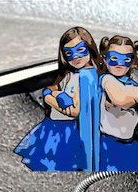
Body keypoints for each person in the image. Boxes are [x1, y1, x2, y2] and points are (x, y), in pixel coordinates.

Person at [14, 26, 101, 171]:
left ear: (90, 48)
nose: (75, 56)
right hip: (56, 128)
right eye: (69, 53)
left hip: (67, 131)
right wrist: (56, 94)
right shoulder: (73, 74)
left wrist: (49, 97)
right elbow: (57, 88)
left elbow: (74, 111)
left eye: (80, 50)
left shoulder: (86, 77)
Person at [97, 35, 138, 172]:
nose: (119, 64)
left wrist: (128, 93)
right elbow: (121, 100)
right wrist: (131, 95)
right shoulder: (106, 79)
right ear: (105, 59)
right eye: (114, 58)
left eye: (126, 59)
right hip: (108, 142)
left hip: (130, 140)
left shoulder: (128, 82)